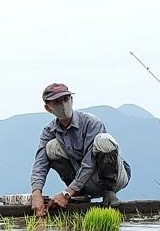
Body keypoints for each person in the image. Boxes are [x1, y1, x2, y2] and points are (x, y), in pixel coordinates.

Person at [30, 83, 131, 216]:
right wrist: (36, 193)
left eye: (66, 99)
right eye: (57, 102)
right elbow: (40, 162)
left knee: (104, 140)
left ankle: (109, 192)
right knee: (51, 147)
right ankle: (79, 192)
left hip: (114, 177)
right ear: (48, 108)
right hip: (83, 182)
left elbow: (89, 163)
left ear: (71, 100)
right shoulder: (49, 131)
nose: (63, 105)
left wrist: (66, 193)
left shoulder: (92, 123)